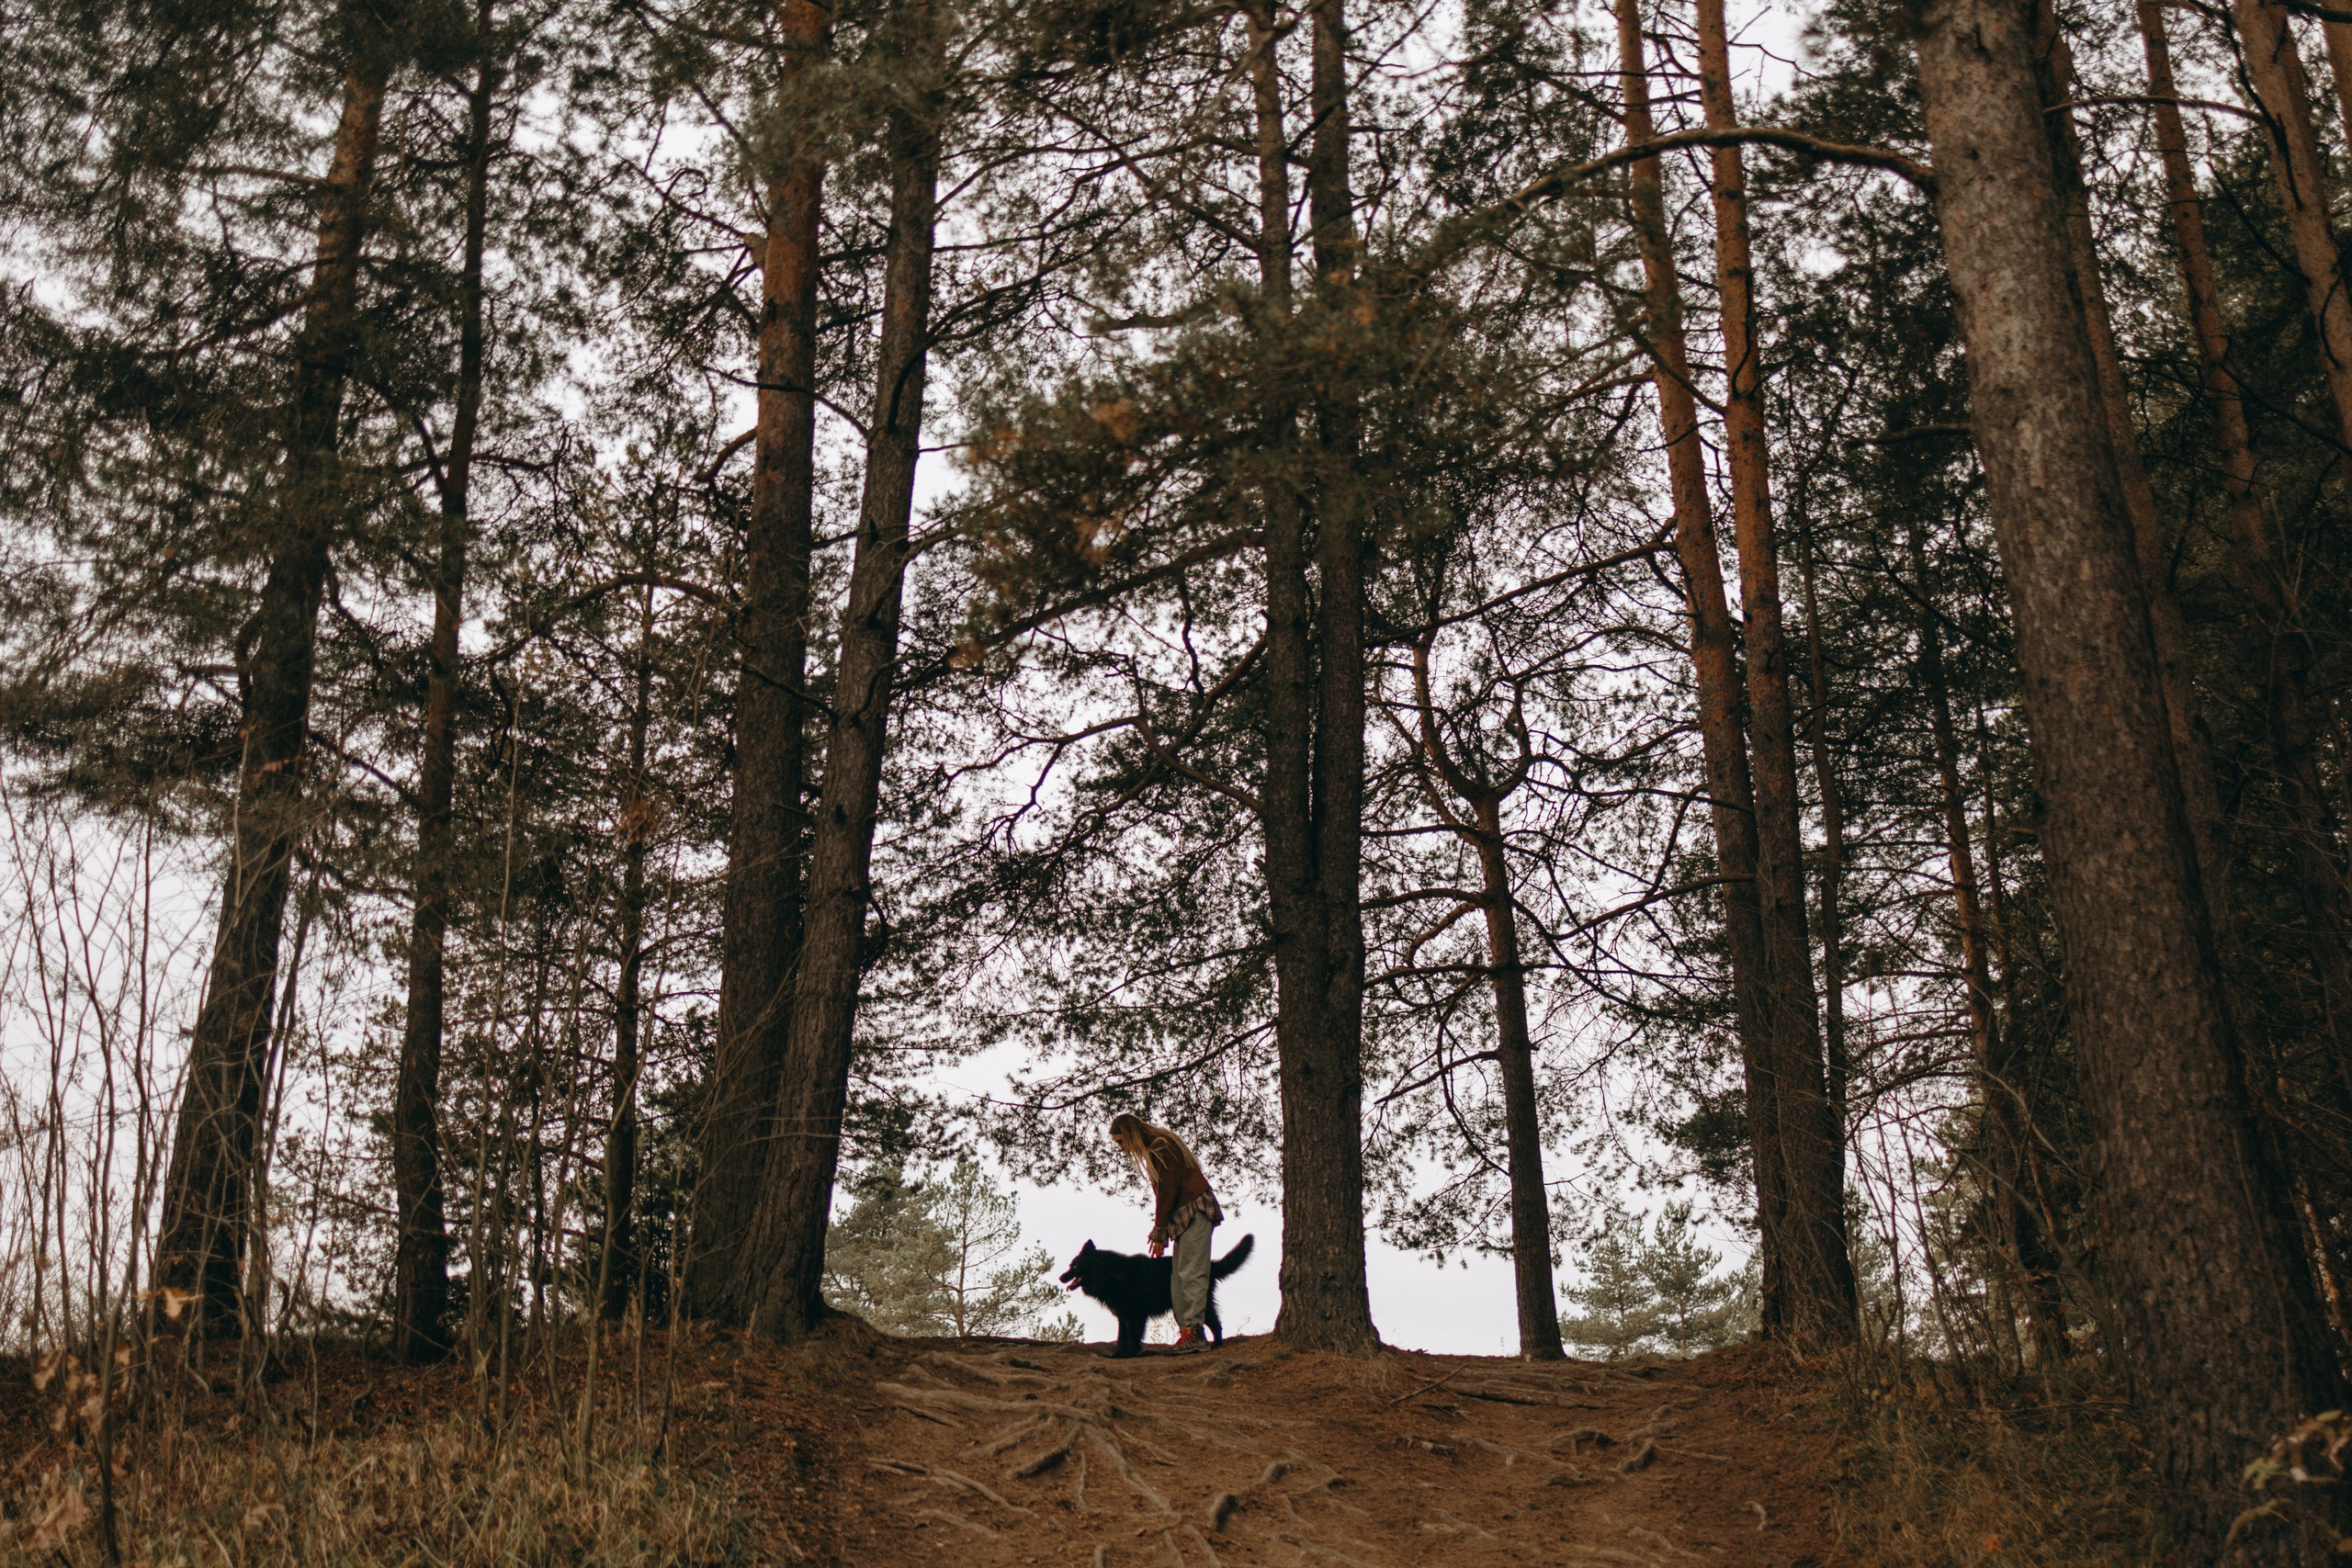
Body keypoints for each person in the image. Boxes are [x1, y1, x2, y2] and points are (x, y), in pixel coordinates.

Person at [1108, 1111, 1223, 1351]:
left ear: (1130, 1135)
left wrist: (1159, 1230)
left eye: (1121, 1142)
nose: (1121, 1148)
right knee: (1178, 1277)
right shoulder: (1157, 1149)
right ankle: (1188, 1333)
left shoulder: (1163, 1146)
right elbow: (1167, 1194)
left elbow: (1167, 1192)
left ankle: (1195, 1334)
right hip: (1184, 1217)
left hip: (1195, 1211)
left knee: (1192, 1272)